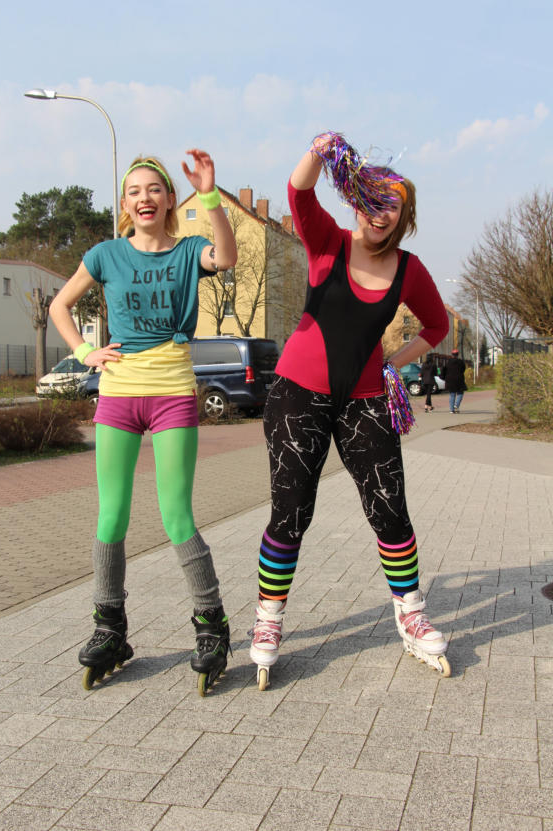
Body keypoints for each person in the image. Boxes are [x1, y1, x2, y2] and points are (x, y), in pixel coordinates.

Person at [249, 132, 451, 689]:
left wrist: (392, 363)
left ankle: (410, 613)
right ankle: (268, 620)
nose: (380, 213)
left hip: (365, 402)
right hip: (297, 395)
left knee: (390, 510)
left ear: (404, 216)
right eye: (372, 199)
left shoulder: (409, 270)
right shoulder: (326, 242)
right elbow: (298, 191)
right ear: (356, 199)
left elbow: (437, 325)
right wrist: (319, 151)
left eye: (392, 205)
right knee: (291, 513)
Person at [49, 149, 237, 695]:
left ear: (169, 199)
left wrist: (210, 195)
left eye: (154, 189)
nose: (144, 198)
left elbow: (226, 256)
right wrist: (84, 352)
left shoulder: (188, 251)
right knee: (111, 516)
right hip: (118, 394)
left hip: (173, 391)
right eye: (134, 192)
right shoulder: (106, 255)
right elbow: (60, 306)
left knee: (176, 515)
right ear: (125, 204)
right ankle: (109, 628)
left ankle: (212, 626)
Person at [443, 348, 467, 413]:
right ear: (457, 354)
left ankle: (452, 410)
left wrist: (444, 377)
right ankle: (456, 405)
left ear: (452, 354)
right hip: (459, 380)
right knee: (460, 393)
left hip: (450, 380)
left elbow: (444, 370)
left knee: (452, 394)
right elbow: (463, 369)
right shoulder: (461, 362)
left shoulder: (448, 362)